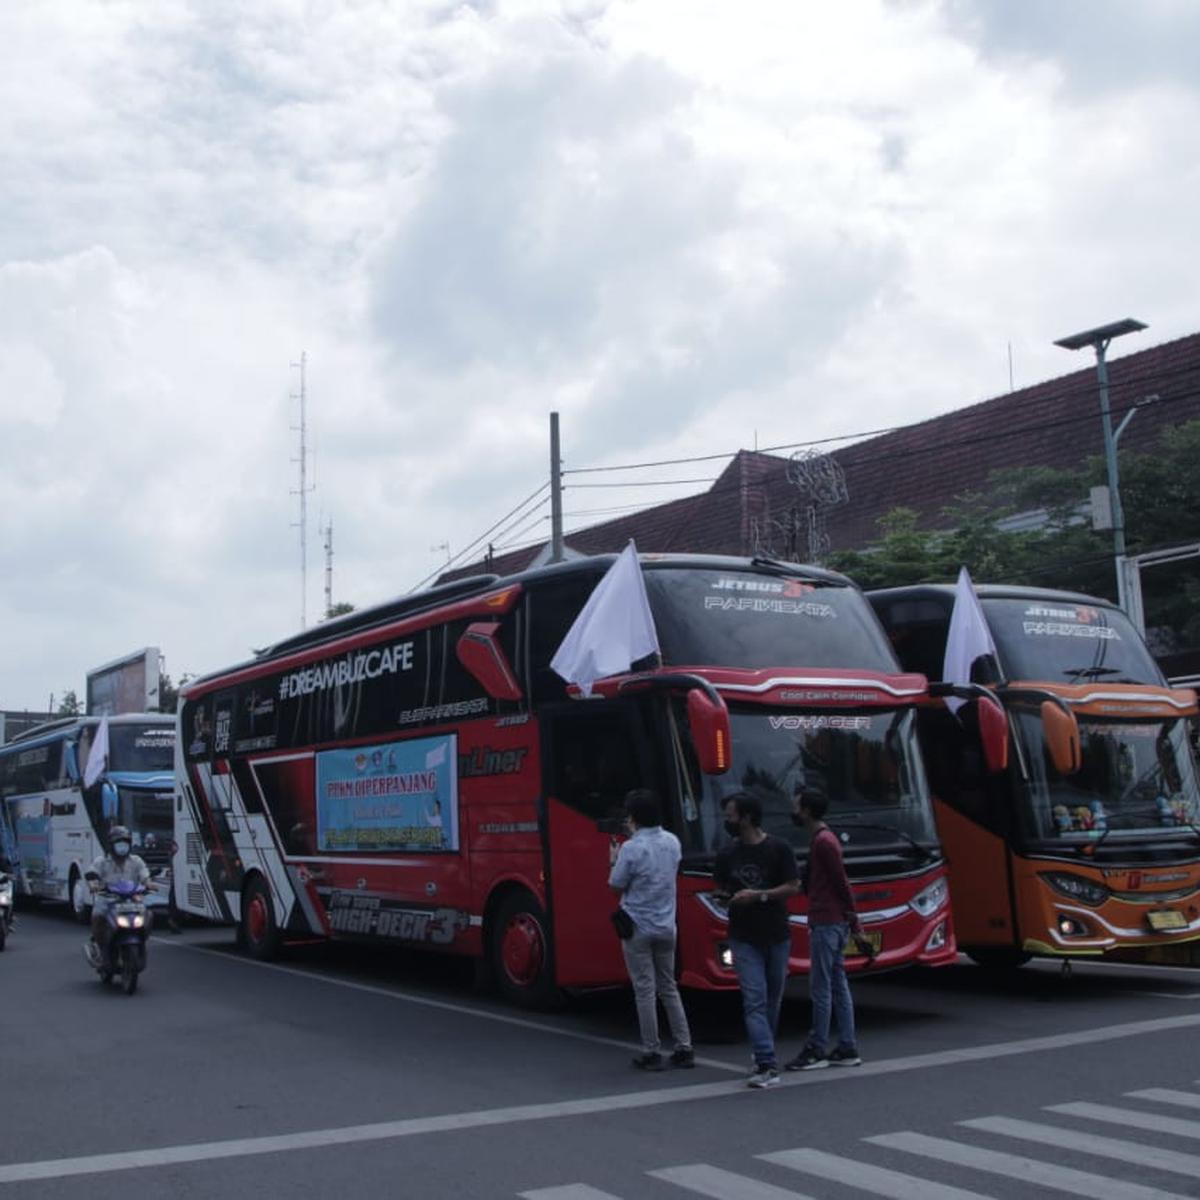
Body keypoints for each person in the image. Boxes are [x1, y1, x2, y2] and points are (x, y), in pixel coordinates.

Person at [714, 790, 800, 1089]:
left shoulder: (779, 848)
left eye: (731, 815)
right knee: (755, 999)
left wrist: (760, 895)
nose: (728, 821)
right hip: (742, 935)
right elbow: (722, 890)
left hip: (776, 933)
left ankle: (764, 1052)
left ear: (748, 817)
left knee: (771, 1000)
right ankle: (766, 1061)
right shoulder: (727, 853)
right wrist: (726, 899)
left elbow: (793, 886)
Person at [608, 788, 695, 1071]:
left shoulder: (631, 848)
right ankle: (684, 1046)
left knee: (644, 989)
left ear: (633, 817)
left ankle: (651, 1050)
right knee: (669, 987)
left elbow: (616, 885)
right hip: (667, 924)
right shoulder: (672, 841)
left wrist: (612, 859)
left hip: (637, 925)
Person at [786, 784, 865, 1070]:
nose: (793, 812)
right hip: (833, 921)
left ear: (806, 811)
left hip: (827, 921)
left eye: (796, 807)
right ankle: (846, 1045)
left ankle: (817, 1047)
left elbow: (841, 883)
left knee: (821, 987)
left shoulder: (823, 842)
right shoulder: (824, 839)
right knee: (837, 984)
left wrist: (854, 921)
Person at [84, 825, 151, 968]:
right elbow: (92, 874)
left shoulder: (136, 861)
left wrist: (149, 883)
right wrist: (93, 884)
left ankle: (141, 942)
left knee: (148, 915)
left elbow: (144, 875)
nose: (122, 847)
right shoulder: (101, 861)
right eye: (119, 843)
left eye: (125, 843)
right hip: (107, 901)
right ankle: (101, 950)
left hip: (131, 901)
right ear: (111, 845)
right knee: (97, 917)